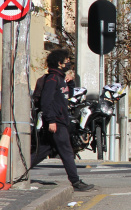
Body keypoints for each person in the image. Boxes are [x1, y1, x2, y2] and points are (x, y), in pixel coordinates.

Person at [29, 50, 95, 192]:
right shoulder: (52, 79)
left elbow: (67, 96)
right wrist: (51, 120)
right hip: (56, 123)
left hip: (59, 121)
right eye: (66, 60)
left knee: (41, 152)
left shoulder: (60, 79)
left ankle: (16, 172)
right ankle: (76, 182)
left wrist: (71, 83)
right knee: (67, 152)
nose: (68, 63)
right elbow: (46, 102)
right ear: (59, 63)